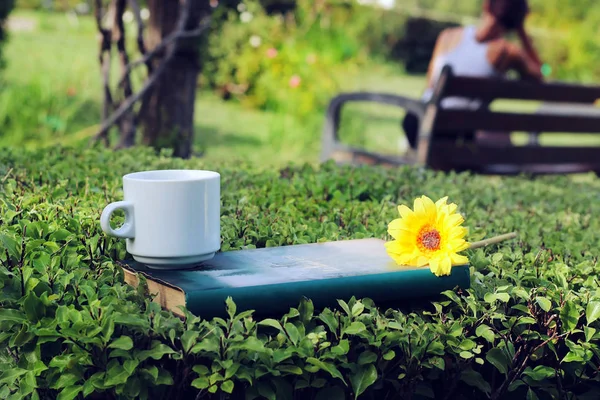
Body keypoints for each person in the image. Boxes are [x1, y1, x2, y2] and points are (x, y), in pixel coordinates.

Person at [403, 0, 544, 150]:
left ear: (486, 5)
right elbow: (538, 75)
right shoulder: (506, 52)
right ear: (517, 20)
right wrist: (521, 32)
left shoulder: (447, 36)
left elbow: (430, 84)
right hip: (458, 134)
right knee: (500, 135)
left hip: (417, 123)